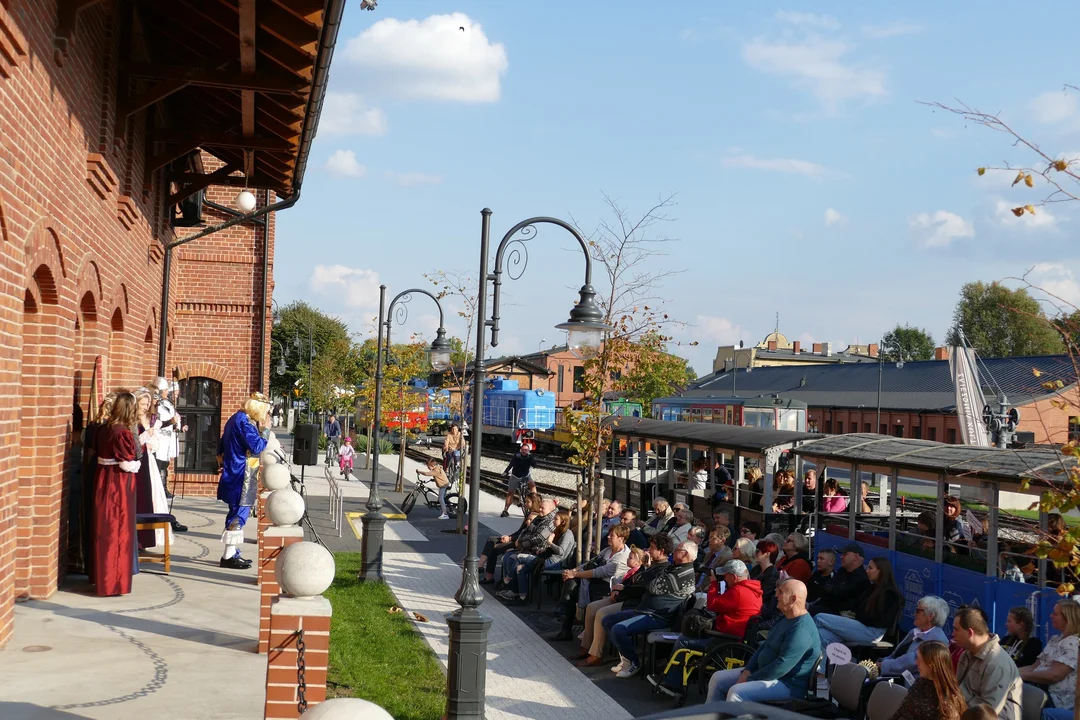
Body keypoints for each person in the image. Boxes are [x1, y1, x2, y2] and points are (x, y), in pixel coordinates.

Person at [648, 558, 764, 697]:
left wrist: (714, 583)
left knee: (683, 640)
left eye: (725, 575)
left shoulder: (738, 591)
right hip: (737, 636)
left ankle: (673, 683)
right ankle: (673, 673)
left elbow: (713, 604)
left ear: (734, 577)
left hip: (726, 640)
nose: (724, 578)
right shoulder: (754, 591)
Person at [706, 579, 821, 704]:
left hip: (787, 684)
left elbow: (781, 667)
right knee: (717, 678)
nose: (776, 595)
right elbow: (765, 646)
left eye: (781, 592)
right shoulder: (786, 617)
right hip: (764, 673)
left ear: (793, 599)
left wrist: (750, 679)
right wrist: (747, 670)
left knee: (737, 693)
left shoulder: (801, 630)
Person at [602, 540, 698, 678]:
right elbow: (640, 580)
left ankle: (634, 663)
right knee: (608, 620)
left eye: (678, 549)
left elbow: (652, 586)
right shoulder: (674, 568)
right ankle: (627, 659)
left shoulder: (683, 574)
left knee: (619, 629)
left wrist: (648, 570)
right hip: (645, 610)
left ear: (685, 554)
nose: (674, 551)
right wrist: (648, 573)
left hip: (658, 616)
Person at [217, 392, 278, 569]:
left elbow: (221, 445)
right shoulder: (244, 422)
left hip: (235, 471)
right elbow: (257, 446)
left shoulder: (236, 418)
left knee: (237, 511)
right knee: (239, 514)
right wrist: (265, 429)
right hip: (241, 475)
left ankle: (233, 552)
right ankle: (228, 556)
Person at [92, 391, 141, 596]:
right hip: (117, 485)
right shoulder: (122, 433)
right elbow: (129, 461)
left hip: (103, 479)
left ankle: (102, 577)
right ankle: (114, 582)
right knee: (117, 530)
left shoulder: (105, 428)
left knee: (103, 529)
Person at [573, 545, 652, 668]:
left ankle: (596, 655)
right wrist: (616, 590)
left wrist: (620, 590)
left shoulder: (641, 573)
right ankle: (586, 646)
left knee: (601, 613)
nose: (627, 559)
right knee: (591, 607)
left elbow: (635, 592)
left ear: (638, 562)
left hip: (628, 603)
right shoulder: (630, 571)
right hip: (617, 597)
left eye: (630, 558)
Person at [551, 524, 631, 641]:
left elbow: (598, 572)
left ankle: (565, 615)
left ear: (621, 538)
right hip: (593, 580)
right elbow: (590, 563)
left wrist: (575, 574)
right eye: (609, 534)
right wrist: (573, 570)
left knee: (572, 586)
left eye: (611, 535)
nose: (608, 537)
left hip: (606, 586)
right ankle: (565, 622)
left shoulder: (623, 557)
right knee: (570, 582)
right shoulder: (608, 550)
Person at [814, 556, 903, 648]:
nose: (867, 571)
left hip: (872, 632)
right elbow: (857, 606)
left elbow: (880, 620)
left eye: (870, 568)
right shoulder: (872, 588)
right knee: (823, 635)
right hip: (861, 625)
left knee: (819, 618)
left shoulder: (890, 594)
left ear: (881, 571)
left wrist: (856, 616)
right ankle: (820, 662)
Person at [953, 606, 1023, 720]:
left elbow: (987, 713)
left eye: (956, 629)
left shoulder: (998, 664)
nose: (953, 634)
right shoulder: (965, 655)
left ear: (970, 632)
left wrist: (957, 701)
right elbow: (957, 690)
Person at [1017, 599, 1080, 713]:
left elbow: (1054, 676)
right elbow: (1033, 667)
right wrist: (1010, 672)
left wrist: (1018, 676)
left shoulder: (1074, 643)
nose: (1051, 616)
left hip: (1054, 701)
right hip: (1038, 689)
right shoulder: (1055, 640)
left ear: (1067, 618)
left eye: (1055, 614)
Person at [133, 388, 174, 550]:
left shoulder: (151, 418)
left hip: (148, 459)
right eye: (142, 403)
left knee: (154, 496)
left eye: (147, 403)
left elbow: (156, 441)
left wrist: (152, 441)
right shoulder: (132, 420)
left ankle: (152, 535)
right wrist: (145, 437)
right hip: (138, 461)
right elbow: (133, 442)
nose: (145, 406)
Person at [886, 641, 968, 720]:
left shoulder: (948, 703)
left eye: (919, 659)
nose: (916, 662)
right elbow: (901, 711)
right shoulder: (921, 683)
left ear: (932, 665)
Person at [877, 595, 951, 679]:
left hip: (908, 684)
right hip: (892, 674)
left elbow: (909, 663)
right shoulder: (914, 632)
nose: (914, 614)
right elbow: (895, 655)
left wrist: (882, 665)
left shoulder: (937, 641)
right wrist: (881, 662)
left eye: (918, 611)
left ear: (930, 616)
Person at [809, 543, 870, 616]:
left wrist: (832, 590)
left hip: (841, 615)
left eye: (845, 554)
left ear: (856, 557)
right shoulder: (842, 570)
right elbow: (826, 588)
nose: (841, 557)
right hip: (827, 608)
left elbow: (840, 593)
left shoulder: (861, 578)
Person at [501, 443, 538, 517]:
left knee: (533, 486)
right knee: (510, 493)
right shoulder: (517, 456)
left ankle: (535, 504)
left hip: (526, 476)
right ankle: (505, 510)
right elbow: (511, 464)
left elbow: (534, 465)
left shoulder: (530, 456)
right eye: (523, 450)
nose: (524, 451)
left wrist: (530, 458)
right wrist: (506, 472)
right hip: (515, 476)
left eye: (526, 450)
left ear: (528, 451)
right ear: (520, 450)